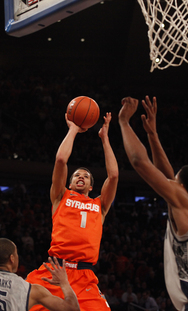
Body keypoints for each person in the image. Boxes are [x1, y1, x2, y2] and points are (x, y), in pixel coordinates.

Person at [118, 96, 188, 311]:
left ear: (183, 189)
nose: (170, 182)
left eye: (175, 181)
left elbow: (140, 162)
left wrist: (124, 122)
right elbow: (165, 174)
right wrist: (152, 135)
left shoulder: (185, 205)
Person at [26, 112, 119, 311]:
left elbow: (113, 176)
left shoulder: (100, 205)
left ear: (91, 186)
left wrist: (105, 139)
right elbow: (60, 159)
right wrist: (73, 130)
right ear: (69, 182)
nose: (81, 177)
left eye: (86, 176)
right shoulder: (61, 197)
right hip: (55, 271)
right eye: (77, 174)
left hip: (85, 277)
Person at [0, 238, 80, 311]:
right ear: (12, 259)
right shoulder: (30, 290)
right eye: (16, 254)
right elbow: (72, 309)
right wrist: (64, 283)